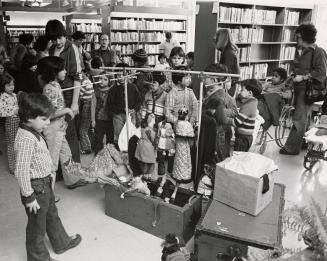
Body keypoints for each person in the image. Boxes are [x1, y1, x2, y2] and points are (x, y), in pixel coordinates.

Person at [14, 93, 81, 261]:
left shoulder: (33, 131)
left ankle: (61, 242)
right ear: (29, 118)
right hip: (35, 188)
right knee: (37, 226)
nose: (46, 123)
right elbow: (21, 170)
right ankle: (38, 258)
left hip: (44, 183)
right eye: (44, 119)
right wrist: (29, 197)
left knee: (51, 214)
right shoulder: (26, 139)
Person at [40, 56, 87, 190]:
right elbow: (49, 114)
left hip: (59, 129)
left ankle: (72, 180)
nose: (66, 72)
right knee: (52, 162)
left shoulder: (56, 85)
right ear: (54, 72)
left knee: (67, 154)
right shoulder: (50, 89)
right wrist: (67, 110)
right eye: (62, 69)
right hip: (53, 130)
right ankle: (47, 193)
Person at [280, 23, 327, 155]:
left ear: (304, 37)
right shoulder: (299, 50)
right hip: (298, 89)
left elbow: (321, 72)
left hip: (307, 91)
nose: (296, 39)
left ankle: (291, 148)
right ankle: (303, 143)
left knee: (298, 119)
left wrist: (304, 77)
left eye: (298, 37)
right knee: (303, 118)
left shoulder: (319, 52)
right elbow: (297, 69)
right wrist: (292, 79)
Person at [46, 19, 81, 164]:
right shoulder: (51, 49)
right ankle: (62, 170)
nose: (58, 42)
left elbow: (77, 77)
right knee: (57, 131)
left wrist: (74, 104)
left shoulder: (72, 48)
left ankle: (74, 168)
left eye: (59, 37)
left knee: (70, 131)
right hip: (56, 92)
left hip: (70, 92)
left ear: (64, 34)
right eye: (54, 39)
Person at [202, 63, 237, 157]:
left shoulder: (218, 97)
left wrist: (218, 112)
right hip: (217, 131)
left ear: (214, 80)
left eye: (206, 77)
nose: (204, 79)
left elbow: (229, 115)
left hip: (218, 133)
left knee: (217, 159)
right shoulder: (216, 94)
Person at [108, 63, 141, 144]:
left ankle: (131, 154)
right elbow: (110, 105)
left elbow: (139, 101)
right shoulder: (113, 89)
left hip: (131, 115)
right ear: (115, 76)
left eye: (123, 74)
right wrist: (122, 109)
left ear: (128, 75)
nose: (121, 77)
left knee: (132, 136)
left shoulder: (133, 87)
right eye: (118, 75)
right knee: (119, 137)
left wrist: (134, 109)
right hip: (118, 116)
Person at [227, 80, 260, 152]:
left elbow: (236, 122)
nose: (239, 91)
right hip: (245, 137)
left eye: (242, 90)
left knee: (238, 157)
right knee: (241, 157)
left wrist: (225, 119)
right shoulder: (252, 102)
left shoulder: (248, 105)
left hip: (243, 138)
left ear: (250, 93)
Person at [0, 72, 19, 174]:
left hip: (18, 122)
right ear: (3, 86)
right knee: (12, 145)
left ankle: (18, 164)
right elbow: (1, 112)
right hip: (10, 122)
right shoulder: (2, 97)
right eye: (9, 85)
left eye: (13, 84)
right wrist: (13, 111)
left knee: (18, 144)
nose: (12, 87)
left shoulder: (14, 95)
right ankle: (13, 167)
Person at [214, 28, 240, 97]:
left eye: (217, 36)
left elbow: (227, 71)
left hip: (229, 85)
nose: (214, 38)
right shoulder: (227, 50)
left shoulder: (228, 53)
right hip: (229, 84)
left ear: (221, 38)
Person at [93, 72, 114, 155]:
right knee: (98, 140)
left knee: (110, 141)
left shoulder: (112, 91)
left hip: (110, 119)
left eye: (105, 79)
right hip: (99, 119)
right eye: (100, 79)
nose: (102, 81)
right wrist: (93, 120)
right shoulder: (96, 92)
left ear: (109, 81)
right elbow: (93, 106)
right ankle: (98, 159)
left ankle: (110, 159)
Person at [134, 113, 157, 180]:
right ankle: (147, 177)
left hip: (144, 151)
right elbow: (154, 141)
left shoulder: (144, 129)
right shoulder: (151, 131)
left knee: (144, 165)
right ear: (153, 121)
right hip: (149, 151)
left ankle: (145, 176)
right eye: (154, 119)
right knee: (149, 166)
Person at [79, 75, 94, 154]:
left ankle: (86, 148)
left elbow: (80, 95)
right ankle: (90, 145)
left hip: (86, 105)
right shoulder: (88, 81)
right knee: (88, 128)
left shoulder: (84, 82)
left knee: (83, 129)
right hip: (89, 104)